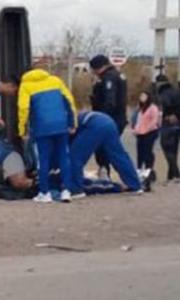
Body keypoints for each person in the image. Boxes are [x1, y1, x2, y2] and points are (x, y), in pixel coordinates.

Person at [18, 67, 77, 203]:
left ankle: (45, 193)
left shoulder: (26, 85)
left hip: (41, 127)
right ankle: (66, 191)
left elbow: (23, 109)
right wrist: (72, 123)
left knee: (43, 159)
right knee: (64, 157)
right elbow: (69, 101)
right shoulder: (56, 81)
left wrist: (23, 130)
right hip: (61, 125)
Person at [69, 110, 143, 194]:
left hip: (94, 125)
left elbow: (69, 151)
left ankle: (76, 189)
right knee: (119, 156)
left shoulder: (67, 124)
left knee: (75, 156)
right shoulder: (73, 116)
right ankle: (135, 185)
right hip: (108, 122)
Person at [88, 55, 128, 178]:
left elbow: (110, 101)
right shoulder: (118, 75)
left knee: (103, 147)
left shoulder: (109, 78)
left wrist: (102, 118)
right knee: (112, 147)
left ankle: (105, 170)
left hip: (110, 119)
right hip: (118, 118)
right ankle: (119, 173)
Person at [133, 91, 160, 182]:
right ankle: (139, 171)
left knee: (147, 152)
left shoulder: (153, 108)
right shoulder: (140, 109)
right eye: (141, 96)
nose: (142, 97)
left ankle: (149, 171)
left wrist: (146, 129)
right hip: (140, 133)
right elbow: (137, 120)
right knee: (140, 152)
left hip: (150, 132)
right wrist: (136, 130)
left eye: (144, 96)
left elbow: (154, 121)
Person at [156, 75, 180, 181]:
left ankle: (176, 173)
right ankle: (170, 175)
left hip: (168, 121)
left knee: (165, 146)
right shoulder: (176, 90)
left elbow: (165, 105)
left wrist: (169, 114)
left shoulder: (163, 93)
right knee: (174, 148)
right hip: (177, 122)